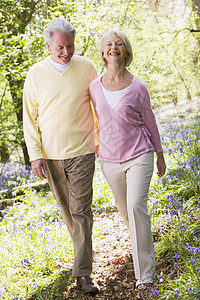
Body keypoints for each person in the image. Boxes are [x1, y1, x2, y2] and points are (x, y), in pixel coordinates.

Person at [23, 18, 99, 296]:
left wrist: (99, 140)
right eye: (59, 48)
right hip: (51, 156)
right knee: (69, 213)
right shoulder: (36, 73)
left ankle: (84, 274)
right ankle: (85, 254)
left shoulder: (87, 68)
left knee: (81, 211)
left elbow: (98, 107)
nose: (66, 52)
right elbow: (29, 119)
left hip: (82, 150)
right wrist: (35, 155)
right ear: (48, 45)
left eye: (70, 46)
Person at [89, 29, 166, 289]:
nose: (113, 48)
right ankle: (143, 243)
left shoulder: (138, 86)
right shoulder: (94, 87)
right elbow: (92, 119)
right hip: (109, 160)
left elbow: (151, 122)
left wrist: (160, 155)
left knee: (135, 206)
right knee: (126, 212)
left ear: (126, 51)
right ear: (102, 53)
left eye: (119, 44)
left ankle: (145, 273)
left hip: (139, 154)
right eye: (109, 45)